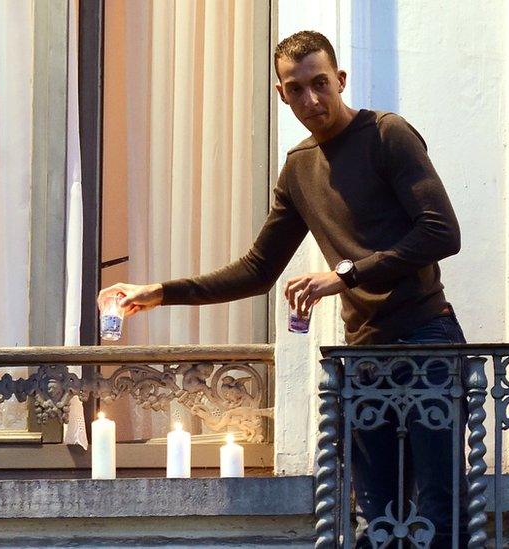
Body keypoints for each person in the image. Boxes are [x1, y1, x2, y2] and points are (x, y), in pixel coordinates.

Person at [98, 30, 465, 547]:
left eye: (321, 83)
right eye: (297, 89)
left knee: (439, 515)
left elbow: (441, 232)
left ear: (340, 80)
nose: (312, 99)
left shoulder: (387, 134)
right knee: (379, 520)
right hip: (362, 355)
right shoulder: (299, 168)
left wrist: (347, 275)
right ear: (281, 94)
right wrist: (160, 291)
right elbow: (256, 269)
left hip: (426, 340)